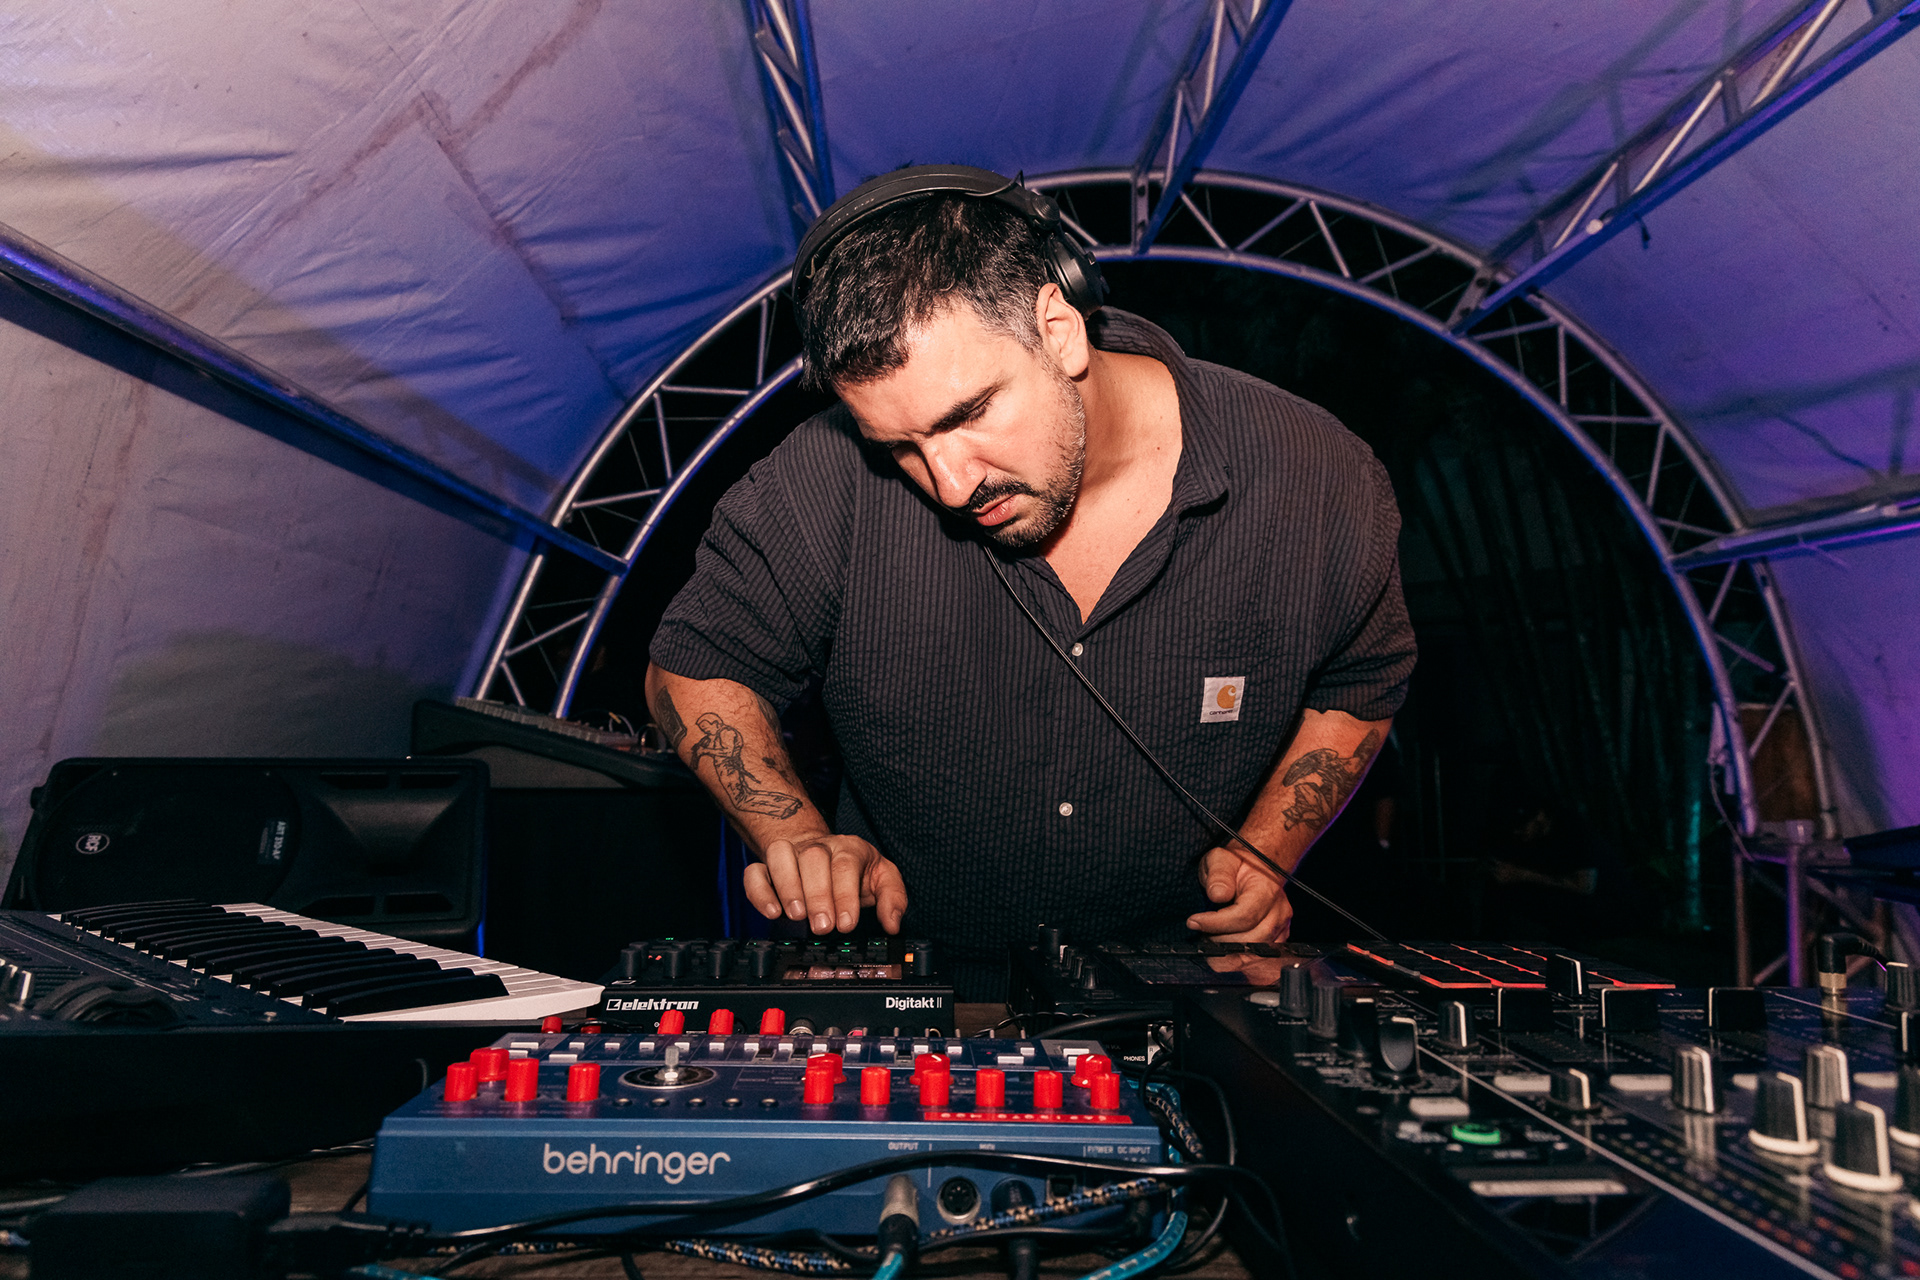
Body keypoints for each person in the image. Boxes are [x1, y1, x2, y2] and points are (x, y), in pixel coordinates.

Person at [646, 167, 1416, 997]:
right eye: (899, 447)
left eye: (967, 414)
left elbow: (1361, 684)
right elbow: (693, 667)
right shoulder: (822, 479)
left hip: (1186, 999)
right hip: (924, 997)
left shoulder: (1318, 479)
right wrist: (793, 835)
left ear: (1060, 328)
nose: (949, 484)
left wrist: (1268, 851)